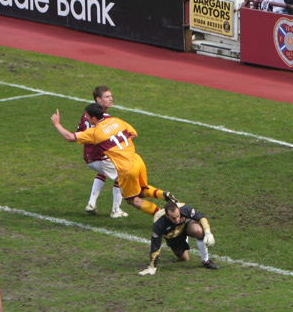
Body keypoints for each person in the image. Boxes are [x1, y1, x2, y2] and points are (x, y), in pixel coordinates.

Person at [51, 103, 178, 216]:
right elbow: (133, 133)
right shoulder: (116, 121)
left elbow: (69, 137)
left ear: (94, 118)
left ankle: (160, 215)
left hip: (126, 168)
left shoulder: (95, 132)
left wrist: (57, 124)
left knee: (132, 199)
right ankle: (162, 194)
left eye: (88, 117)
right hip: (137, 160)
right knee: (141, 189)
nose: (87, 119)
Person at [75, 86, 126, 217]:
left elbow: (79, 132)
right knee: (122, 174)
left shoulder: (86, 113)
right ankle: (116, 210)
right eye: (107, 97)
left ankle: (91, 204)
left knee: (103, 173)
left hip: (88, 156)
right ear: (98, 100)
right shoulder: (106, 118)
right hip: (100, 156)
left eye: (111, 96)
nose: (111, 99)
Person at [138, 201, 220, 274]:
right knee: (185, 258)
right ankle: (184, 241)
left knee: (198, 230)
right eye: (173, 218)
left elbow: (201, 217)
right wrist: (152, 266)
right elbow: (155, 245)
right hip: (173, 236)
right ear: (167, 215)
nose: (177, 220)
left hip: (185, 226)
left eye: (178, 216)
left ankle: (206, 261)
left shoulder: (184, 208)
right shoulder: (159, 223)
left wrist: (207, 232)